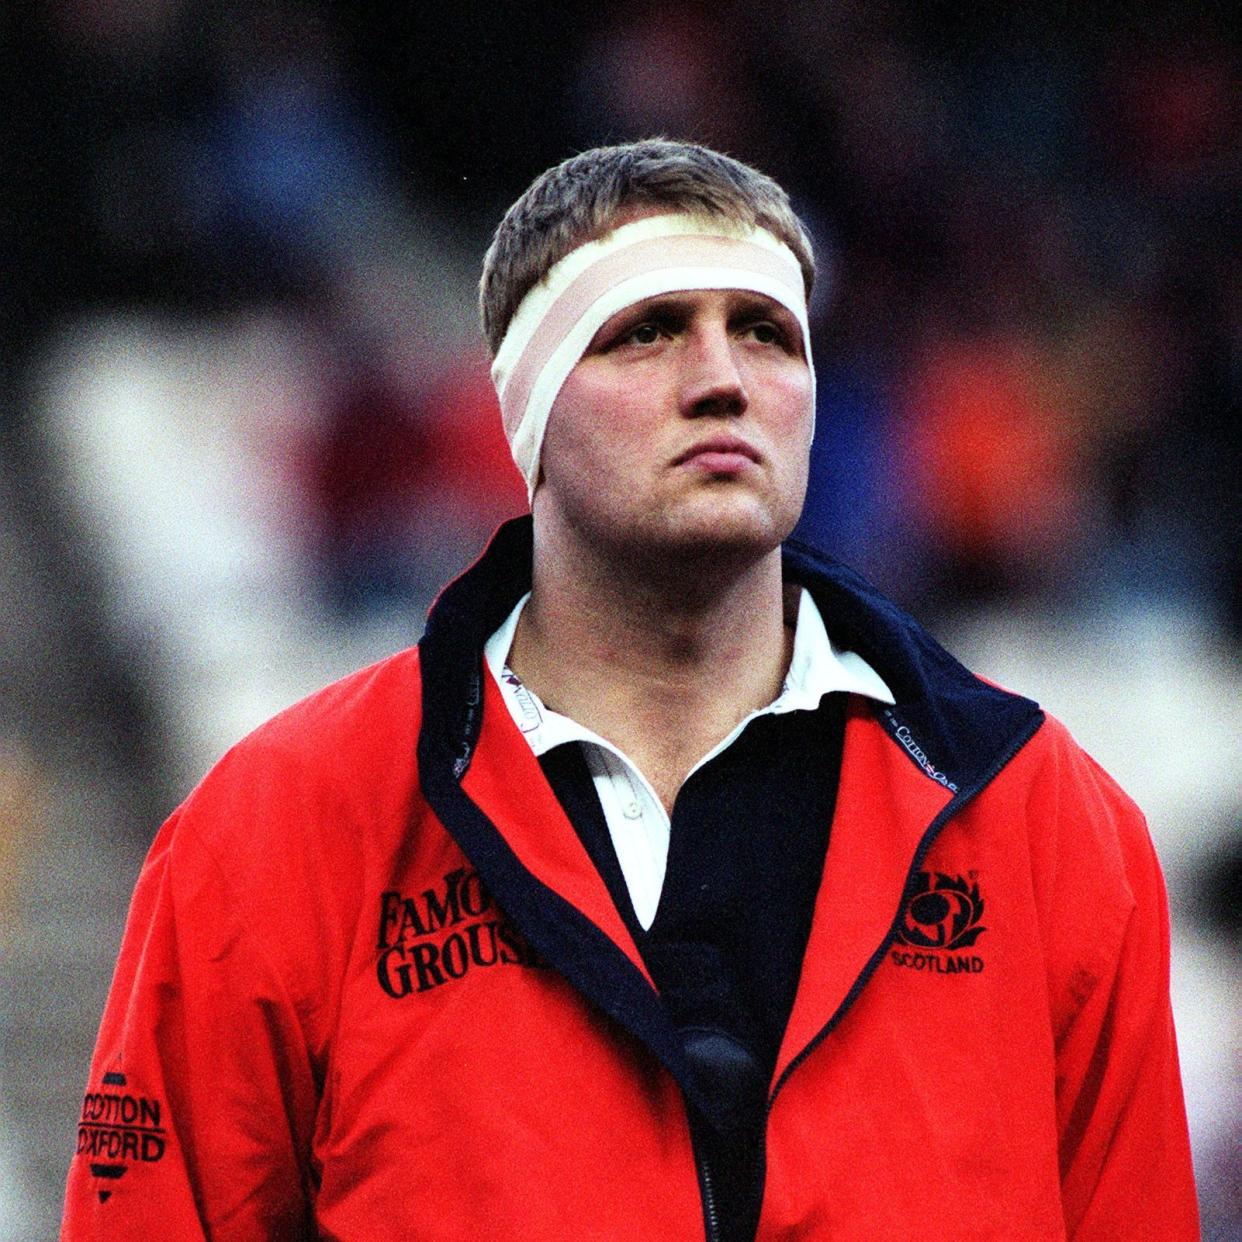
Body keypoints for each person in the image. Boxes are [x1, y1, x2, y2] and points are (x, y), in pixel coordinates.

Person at [62, 139, 1199, 1241]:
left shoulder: (1048, 825)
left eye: (766, 333)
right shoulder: (282, 827)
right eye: (647, 332)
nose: (722, 382)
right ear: (528, 412)